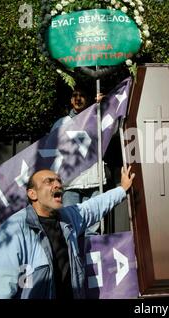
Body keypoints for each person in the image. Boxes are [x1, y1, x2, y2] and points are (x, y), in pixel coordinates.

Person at [0, 166, 135, 299]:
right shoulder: (13, 229)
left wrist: (122, 189)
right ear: (32, 194)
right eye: (49, 181)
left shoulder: (68, 217)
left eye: (59, 181)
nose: (58, 184)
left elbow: (94, 207)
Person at [51, 88, 106, 234]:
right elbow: (52, 151)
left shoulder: (97, 118)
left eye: (82, 95)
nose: (78, 98)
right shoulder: (60, 123)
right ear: (70, 100)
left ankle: (91, 254)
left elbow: (110, 130)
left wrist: (104, 107)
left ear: (87, 99)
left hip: (93, 179)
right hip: (70, 183)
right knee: (71, 226)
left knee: (92, 227)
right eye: (75, 95)